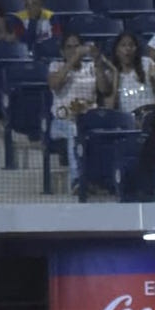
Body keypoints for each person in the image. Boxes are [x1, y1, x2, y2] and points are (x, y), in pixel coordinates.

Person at [48, 33, 112, 194]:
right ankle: (77, 180)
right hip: (61, 122)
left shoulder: (90, 67)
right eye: (69, 47)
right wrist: (72, 60)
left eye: (77, 46)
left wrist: (97, 62)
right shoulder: (56, 66)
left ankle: (105, 180)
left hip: (90, 120)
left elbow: (104, 89)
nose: (74, 50)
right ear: (62, 52)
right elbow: (55, 84)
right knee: (74, 129)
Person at [106, 31, 155, 118]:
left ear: (136, 49)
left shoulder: (147, 64)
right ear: (116, 51)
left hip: (151, 115)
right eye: (123, 45)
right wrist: (116, 76)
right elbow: (109, 108)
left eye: (131, 45)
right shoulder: (111, 73)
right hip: (128, 120)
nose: (128, 48)